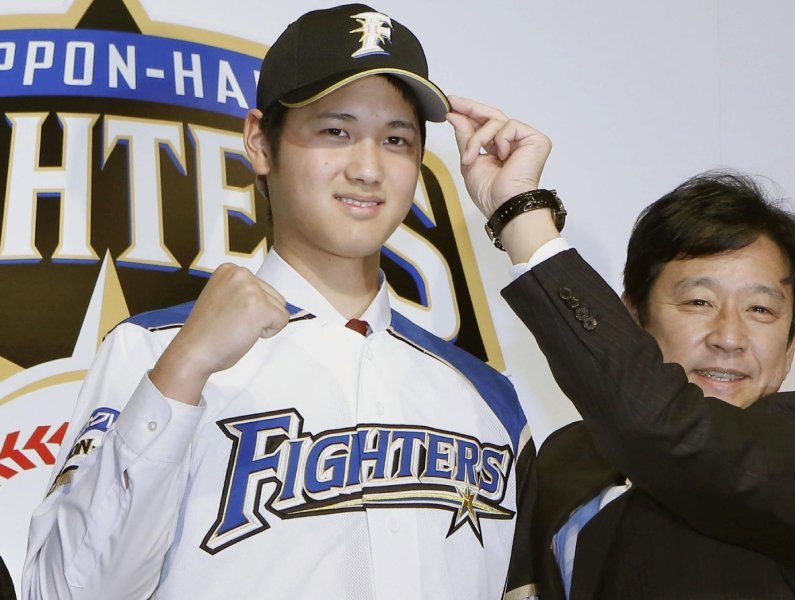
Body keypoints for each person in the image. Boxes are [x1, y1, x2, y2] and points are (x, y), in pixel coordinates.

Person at [22, 6, 536, 599]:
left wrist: (525, 211)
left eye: (396, 140)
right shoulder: (155, 351)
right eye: (336, 131)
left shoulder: (486, 396)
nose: (368, 169)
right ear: (260, 143)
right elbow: (63, 592)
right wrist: (184, 371)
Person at [446, 97, 795, 598]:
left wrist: (523, 218)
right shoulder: (569, 457)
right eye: (699, 301)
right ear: (633, 319)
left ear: (791, 343)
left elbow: (661, 428)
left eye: (761, 310)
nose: (729, 337)